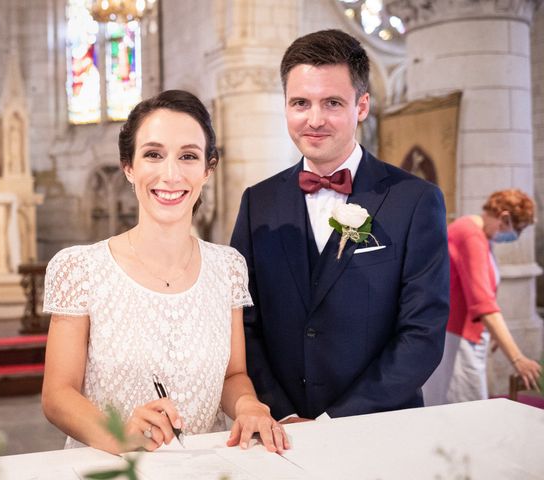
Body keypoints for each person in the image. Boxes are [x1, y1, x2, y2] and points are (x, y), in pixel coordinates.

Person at [42, 90, 288, 454]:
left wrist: (247, 405)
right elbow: (58, 395)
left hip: (206, 466)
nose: (171, 174)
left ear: (208, 169)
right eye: (153, 155)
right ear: (129, 166)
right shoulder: (79, 269)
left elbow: (232, 375)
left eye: (188, 156)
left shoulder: (228, 267)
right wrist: (118, 434)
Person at [230, 29, 450, 422]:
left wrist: (337, 420)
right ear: (285, 105)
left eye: (332, 103)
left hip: (381, 425)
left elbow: (422, 334)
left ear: (361, 106)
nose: (314, 120)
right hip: (280, 429)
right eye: (300, 103)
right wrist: (279, 412)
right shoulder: (256, 202)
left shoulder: (414, 201)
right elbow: (243, 323)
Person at [423, 189, 542, 405]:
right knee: (464, 409)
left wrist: (496, 333)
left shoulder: (479, 234)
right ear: (505, 217)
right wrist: (517, 358)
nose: (516, 236)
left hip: (463, 332)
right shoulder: (471, 235)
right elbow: (482, 304)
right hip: (455, 336)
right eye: (519, 229)